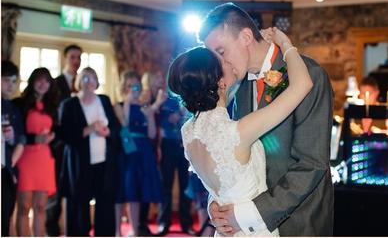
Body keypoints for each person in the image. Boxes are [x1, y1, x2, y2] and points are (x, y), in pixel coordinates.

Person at [200, 3, 334, 236]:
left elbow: (312, 164)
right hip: (247, 224)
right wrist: (218, 202)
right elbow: (231, 151)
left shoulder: (309, 74)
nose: (219, 65)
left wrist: (249, 214)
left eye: (221, 53)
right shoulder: (237, 84)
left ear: (245, 36)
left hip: (298, 223)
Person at [169, 26, 313, 236]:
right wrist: (285, 44)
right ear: (220, 82)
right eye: (223, 61)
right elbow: (303, 84)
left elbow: (218, 183)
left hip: (226, 230)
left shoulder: (187, 131)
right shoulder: (238, 132)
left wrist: (213, 205)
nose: (229, 62)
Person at [59, 67, 120, 236]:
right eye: (85, 78)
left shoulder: (104, 100)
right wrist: (89, 129)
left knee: (105, 203)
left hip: (104, 161)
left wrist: (108, 133)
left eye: (92, 78)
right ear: (79, 81)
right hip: (80, 163)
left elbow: (115, 127)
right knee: (78, 204)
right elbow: (64, 135)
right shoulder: (69, 104)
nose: (89, 81)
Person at [114, 71, 164, 236]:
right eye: (129, 86)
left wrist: (150, 111)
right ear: (124, 87)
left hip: (144, 150)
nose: (132, 89)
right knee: (125, 190)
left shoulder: (145, 107)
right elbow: (125, 125)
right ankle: (118, 231)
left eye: (135, 86)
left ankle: (135, 231)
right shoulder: (119, 105)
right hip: (128, 150)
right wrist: (129, 102)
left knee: (138, 191)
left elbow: (151, 133)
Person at [13, 68, 59, 236]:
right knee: (24, 207)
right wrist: (35, 139)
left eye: (47, 81)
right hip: (24, 157)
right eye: (39, 80)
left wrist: (53, 136)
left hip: (44, 158)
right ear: (32, 81)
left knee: (41, 207)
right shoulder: (19, 103)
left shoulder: (52, 107)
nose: (43, 84)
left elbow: (57, 131)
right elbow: (17, 132)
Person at [46, 43, 82, 236]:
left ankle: (75, 230)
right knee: (55, 191)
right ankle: (51, 229)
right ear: (65, 59)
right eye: (72, 57)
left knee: (75, 189)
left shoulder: (85, 82)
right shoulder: (55, 83)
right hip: (57, 145)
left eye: (78, 57)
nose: (76, 61)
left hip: (78, 146)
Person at [155, 92, 196, 236]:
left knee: (186, 185)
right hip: (168, 145)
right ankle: (163, 223)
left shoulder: (191, 98)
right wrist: (180, 111)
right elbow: (166, 121)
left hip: (185, 144)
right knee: (166, 184)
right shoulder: (167, 100)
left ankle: (186, 224)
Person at [1, 60, 25, 236]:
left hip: (6, 171)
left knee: (5, 219)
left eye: (14, 81)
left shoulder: (13, 108)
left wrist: (10, 167)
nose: (11, 85)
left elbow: (21, 140)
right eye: (6, 80)